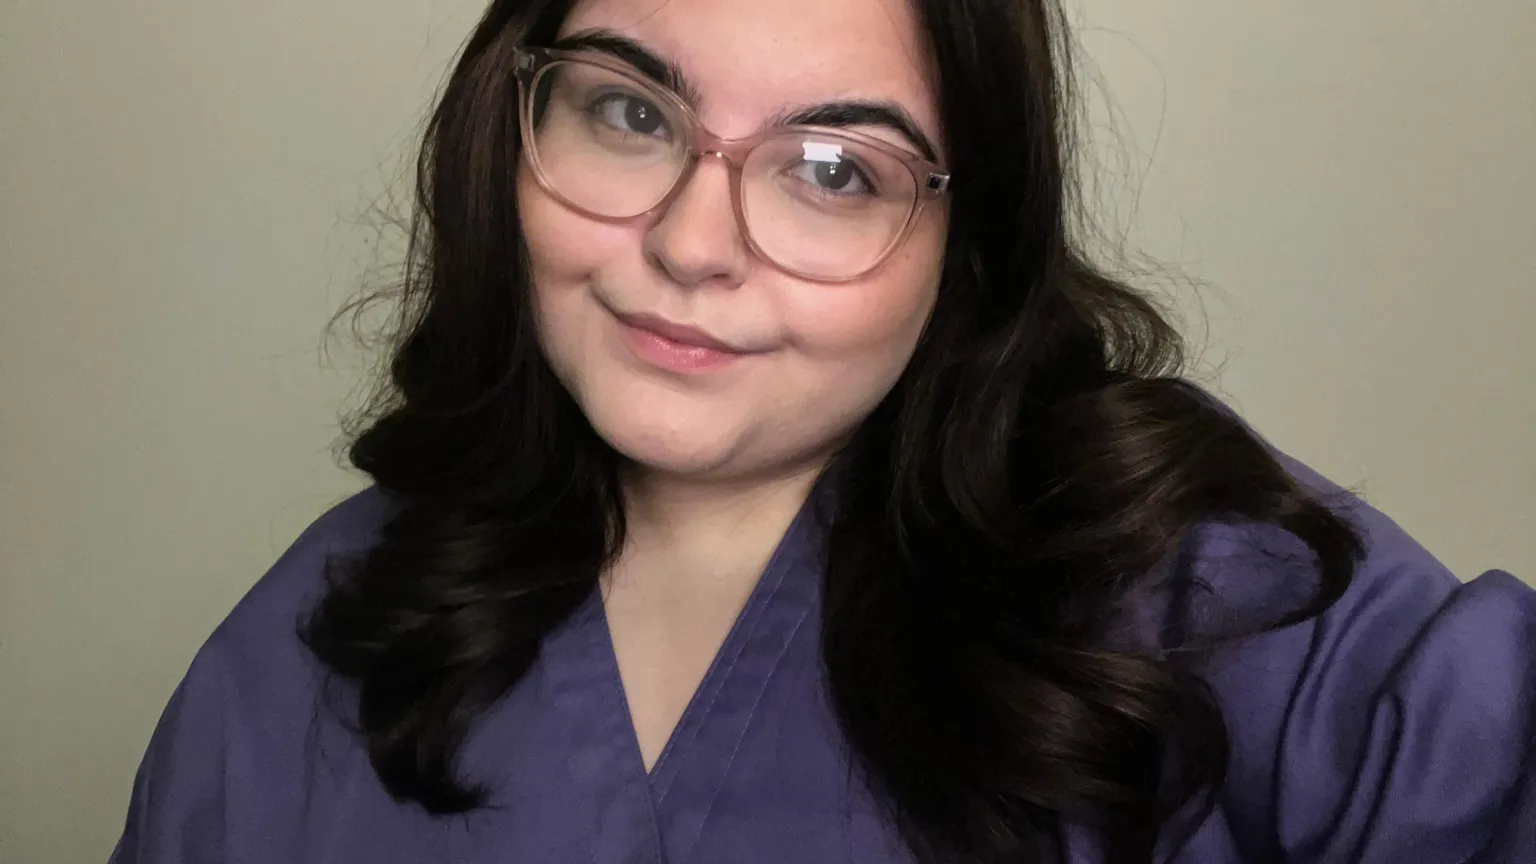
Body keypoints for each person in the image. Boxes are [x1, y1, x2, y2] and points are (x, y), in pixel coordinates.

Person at [110, 0, 1535, 861]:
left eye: (837, 171)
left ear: (963, 240)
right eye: (627, 109)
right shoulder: (309, 643)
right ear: (512, 118)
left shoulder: (1172, 573)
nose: (691, 242)